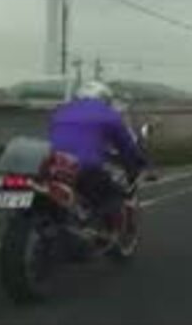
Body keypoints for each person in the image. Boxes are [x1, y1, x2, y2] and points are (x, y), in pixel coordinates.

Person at [47, 80, 147, 226]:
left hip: (55, 165)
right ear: (104, 98)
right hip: (85, 167)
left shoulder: (60, 112)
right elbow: (126, 146)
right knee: (113, 195)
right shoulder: (109, 115)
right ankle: (103, 231)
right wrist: (139, 163)